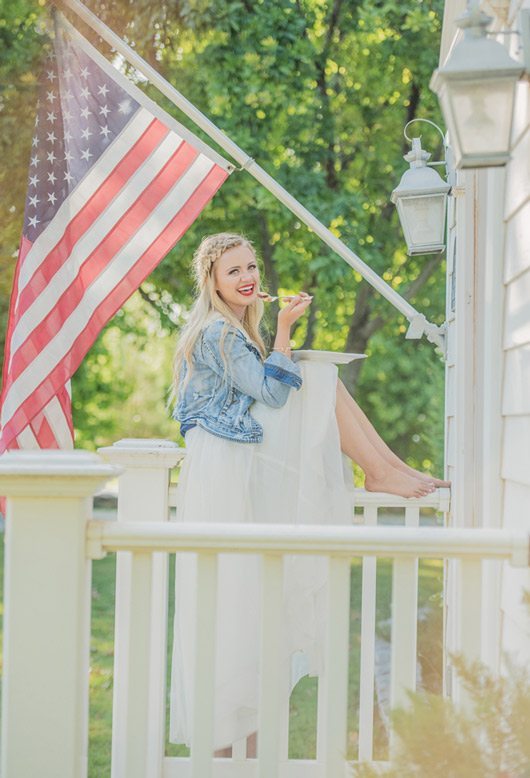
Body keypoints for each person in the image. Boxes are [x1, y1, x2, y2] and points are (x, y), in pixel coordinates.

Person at [168, 231, 450, 757]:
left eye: (251, 266)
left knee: (322, 378)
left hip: (234, 454)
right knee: (317, 378)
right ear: (211, 281)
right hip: (229, 460)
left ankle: (386, 467)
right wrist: (284, 330)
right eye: (234, 271)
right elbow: (273, 392)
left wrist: (281, 341)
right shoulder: (217, 334)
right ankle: (382, 469)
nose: (249, 277)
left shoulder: (231, 330)